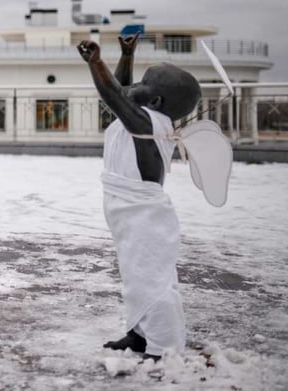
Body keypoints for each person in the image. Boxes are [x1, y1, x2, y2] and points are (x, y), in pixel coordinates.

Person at [77, 35, 201, 361]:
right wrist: (127, 55)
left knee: (152, 280)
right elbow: (121, 91)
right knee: (134, 277)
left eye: (146, 83)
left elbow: (113, 95)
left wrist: (95, 63)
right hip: (126, 212)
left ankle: (164, 347)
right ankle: (138, 334)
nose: (137, 85)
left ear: (156, 102)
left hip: (144, 217)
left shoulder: (148, 124)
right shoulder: (142, 117)